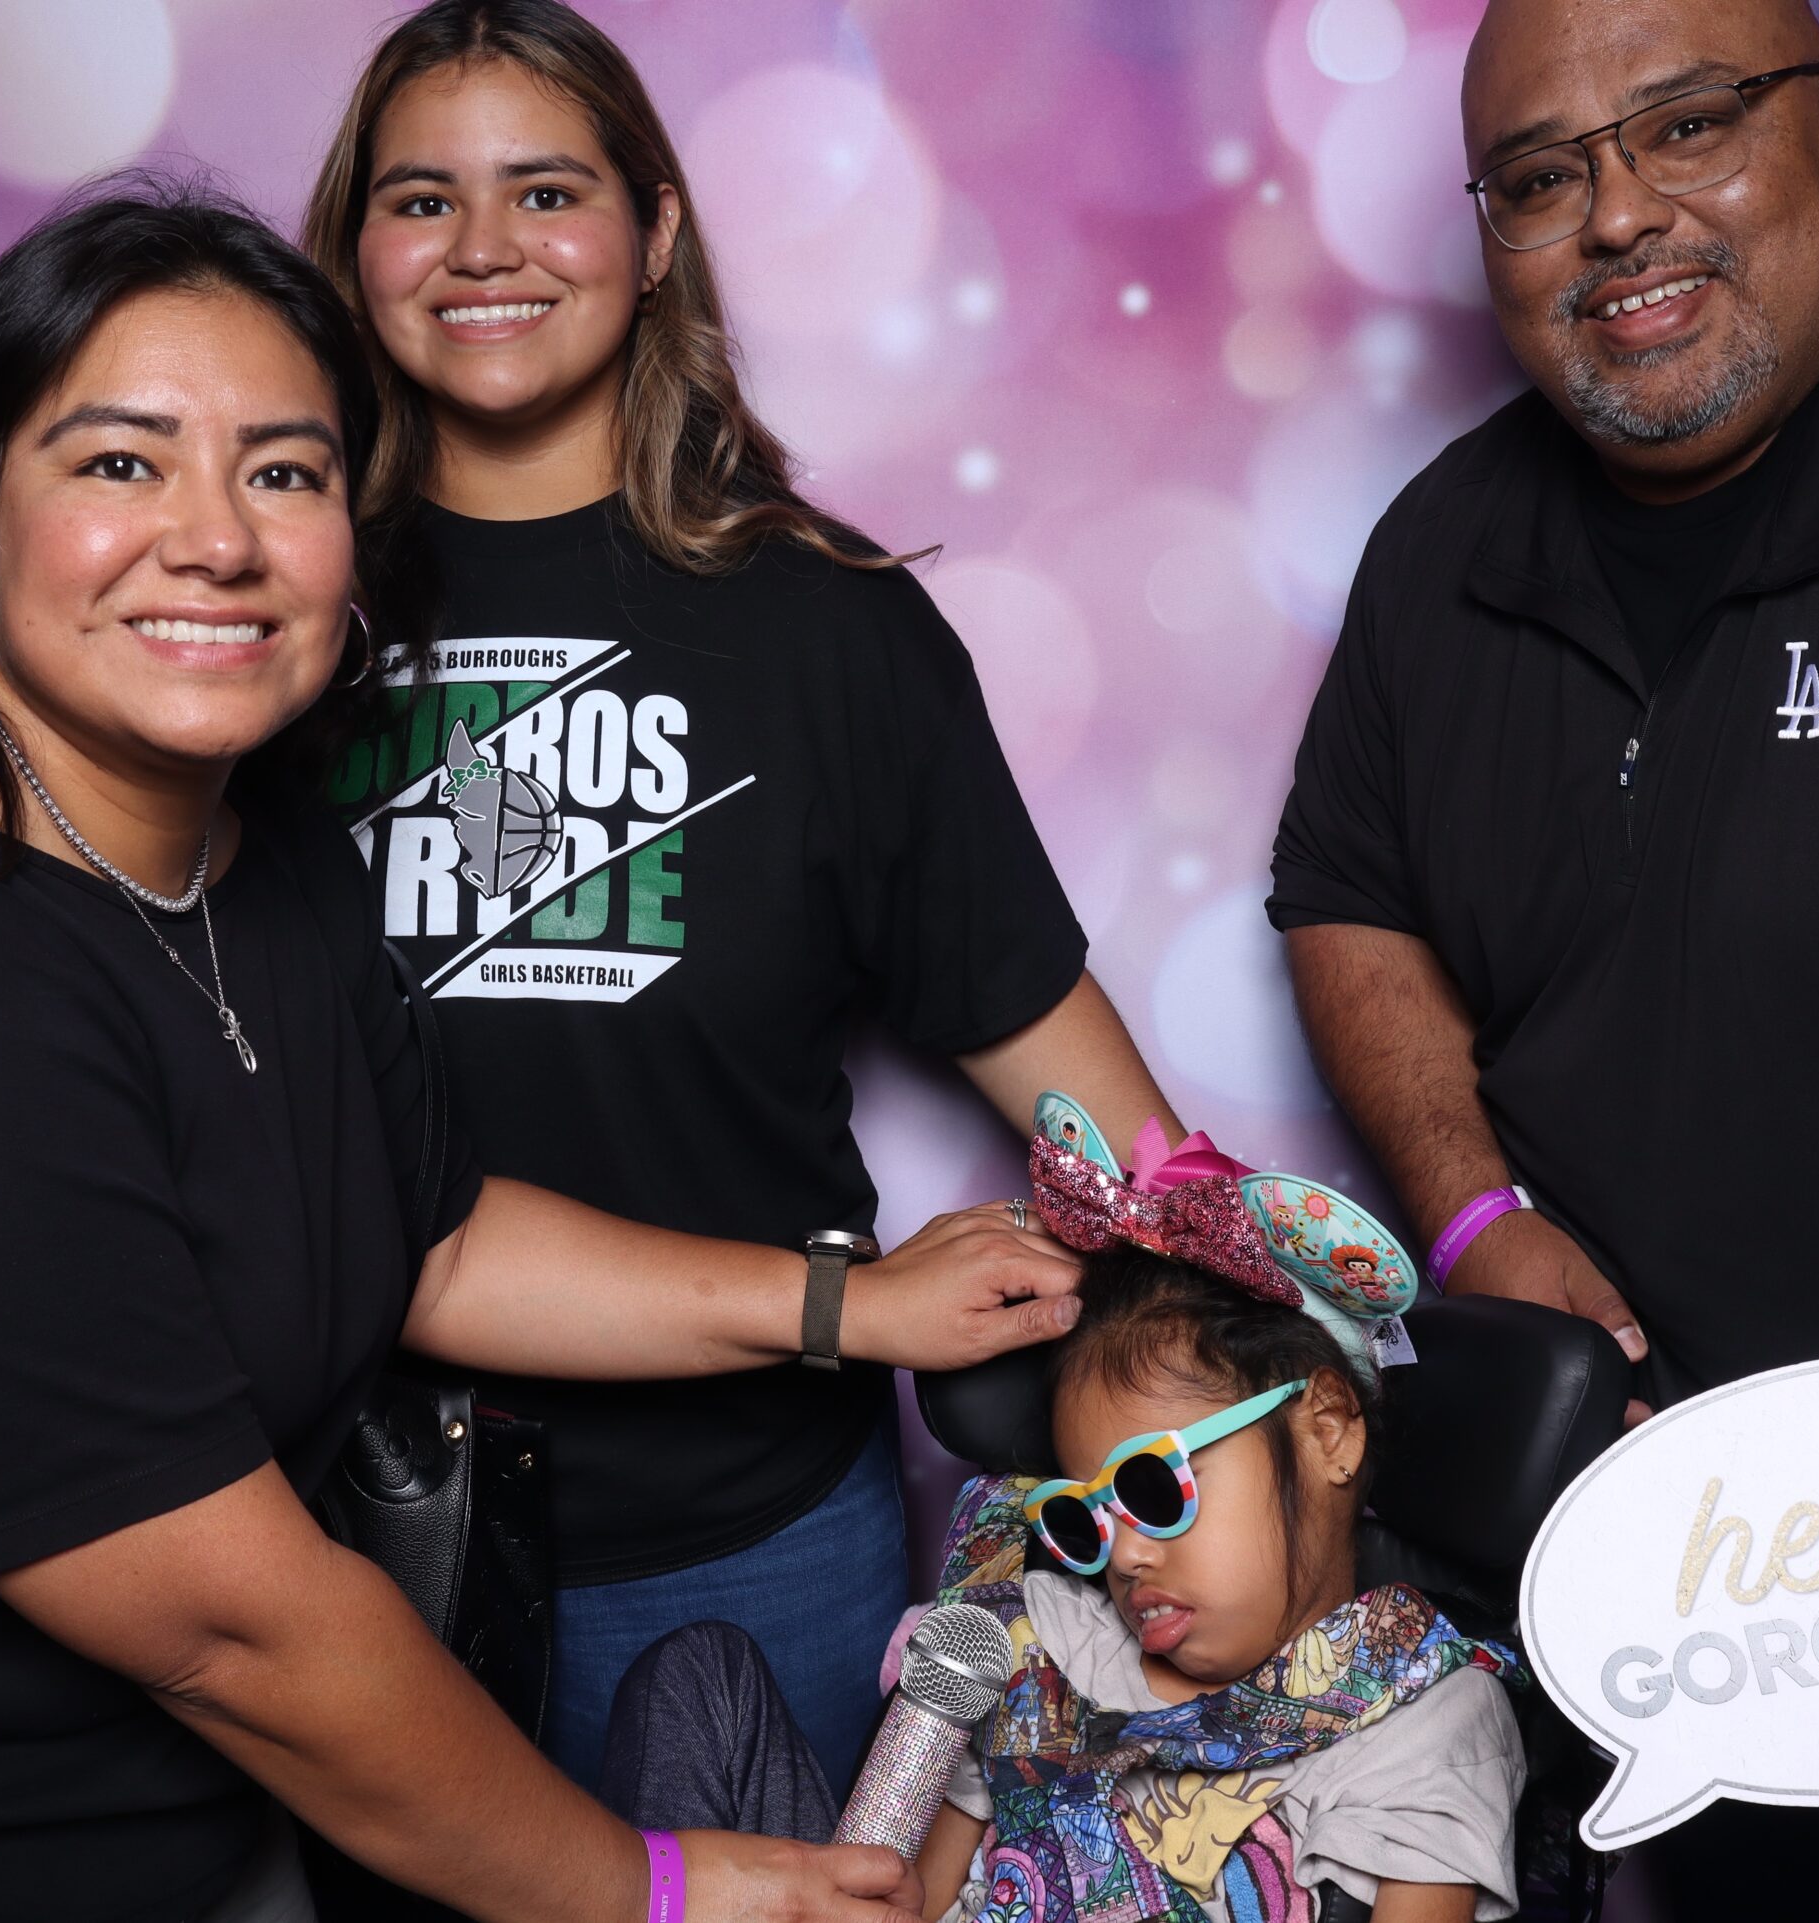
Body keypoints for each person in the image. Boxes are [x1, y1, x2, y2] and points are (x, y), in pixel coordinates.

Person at [0, 182, 1078, 1923]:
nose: (216, 539)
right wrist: (648, 1886)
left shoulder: (254, 850)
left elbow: (428, 1233)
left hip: (179, 1845)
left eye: (283, 472)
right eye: (121, 461)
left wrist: (844, 1303)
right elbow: (231, 1624)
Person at [1265, 0, 1819, 1914]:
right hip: (1687, 1660)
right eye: (1539, 176)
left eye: (1686, 126)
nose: (1617, 216)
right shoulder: (1442, 555)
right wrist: (1472, 1210)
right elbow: (1345, 890)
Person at [302, 0, 1177, 1794]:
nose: (484, 247)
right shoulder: (262, 608)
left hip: (749, 1531)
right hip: (329, 1516)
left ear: (654, 233)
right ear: (354, 248)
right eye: (422, 199)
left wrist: (1260, 1326)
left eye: (547, 191)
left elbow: (1060, 1061)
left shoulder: (828, 628)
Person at [593, 1107, 1528, 1923]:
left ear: (1327, 1429)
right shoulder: (1039, 1639)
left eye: (1154, 1488)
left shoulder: (1421, 1717)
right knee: (697, 1675)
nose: (1124, 1556)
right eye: (1087, 1517)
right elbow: (911, 1897)